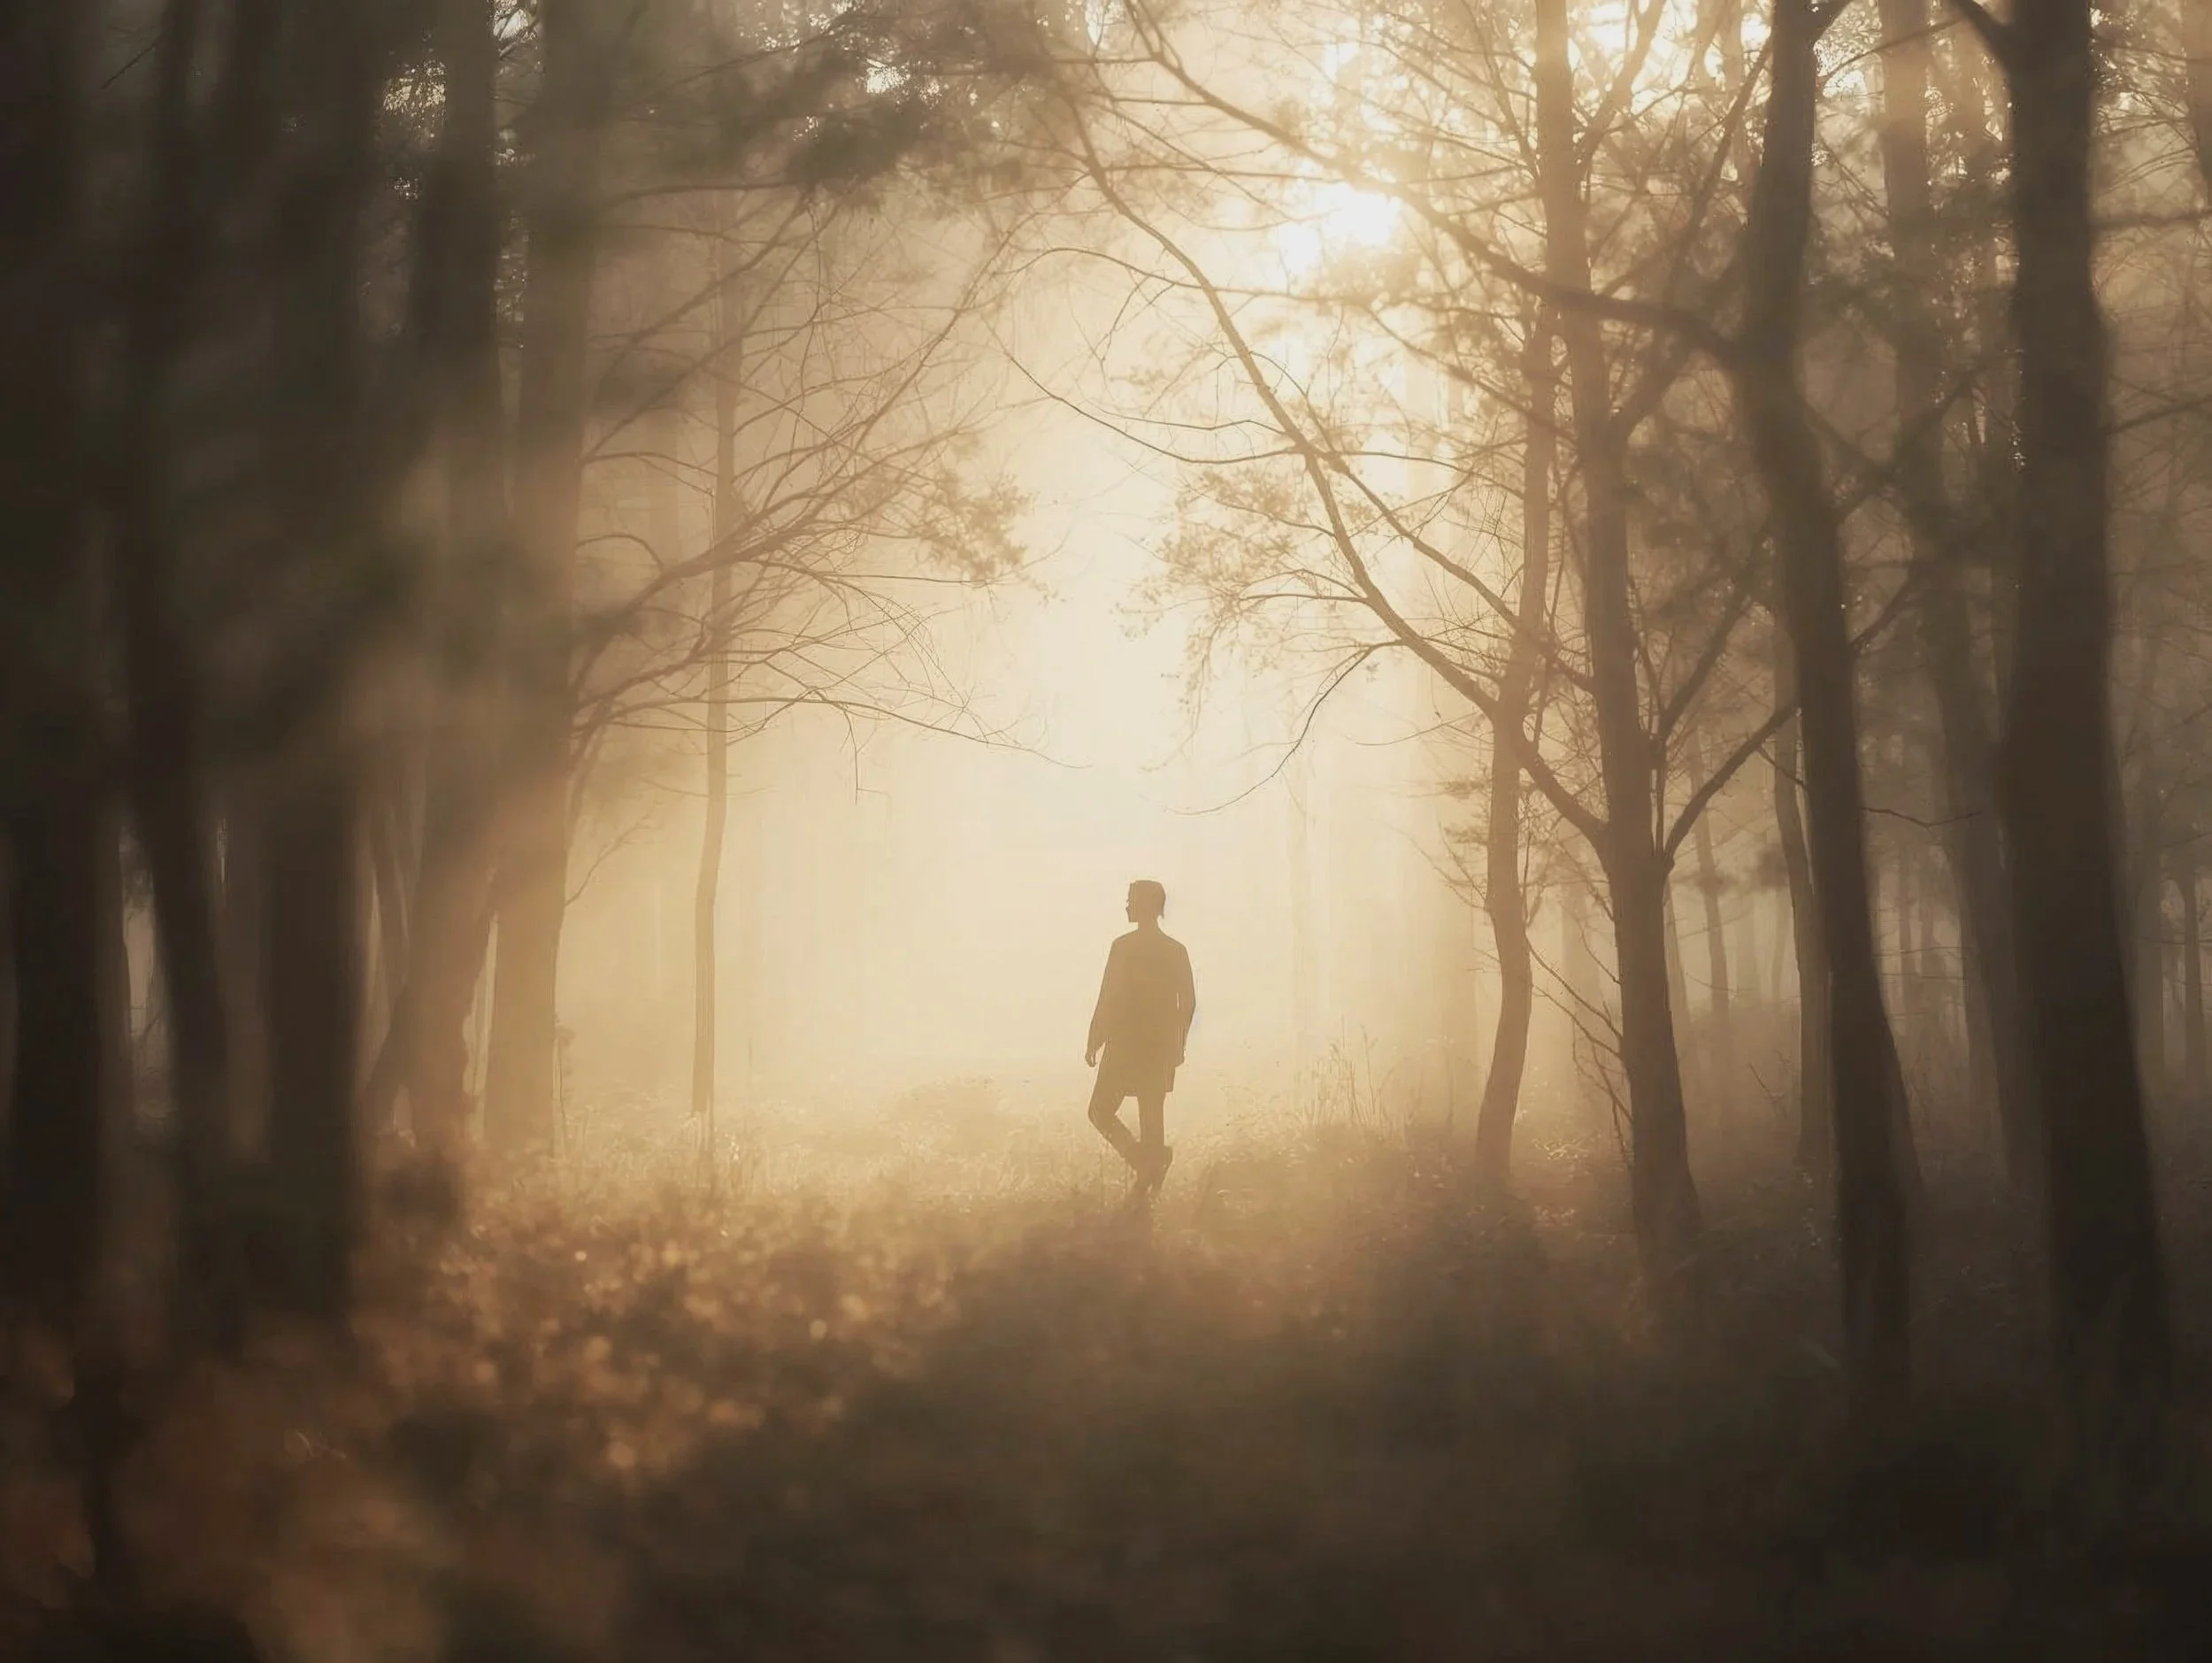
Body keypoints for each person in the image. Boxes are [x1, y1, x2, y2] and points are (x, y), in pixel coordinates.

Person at [1085, 879, 1196, 1189]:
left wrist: (1095, 1039)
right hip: (1160, 1046)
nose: (1126, 905)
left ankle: (1142, 1166)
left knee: (1099, 1111)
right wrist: (1178, 1043)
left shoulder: (1123, 947)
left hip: (1124, 1045)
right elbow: (1188, 1002)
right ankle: (1150, 1172)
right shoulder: (1176, 950)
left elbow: (1109, 995)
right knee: (1152, 1115)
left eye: (1131, 900)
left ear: (1146, 905)